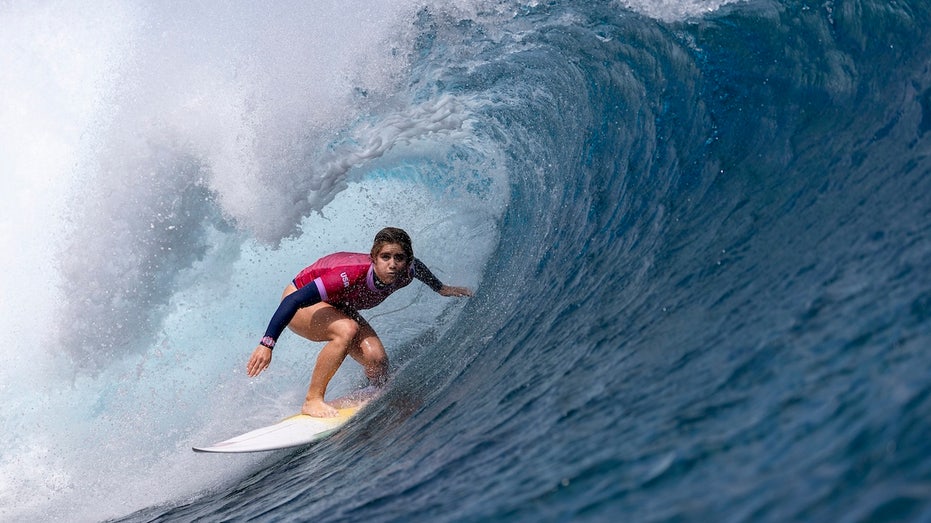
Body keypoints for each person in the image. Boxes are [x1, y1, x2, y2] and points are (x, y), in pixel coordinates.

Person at [246, 227, 473, 417]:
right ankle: (312, 400)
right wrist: (267, 343)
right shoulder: (349, 275)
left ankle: (370, 393)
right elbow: (294, 300)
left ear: (407, 261)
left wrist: (441, 288)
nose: (392, 264)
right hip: (298, 303)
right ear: (374, 257)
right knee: (347, 329)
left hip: (336, 304)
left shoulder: (407, 271)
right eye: (385, 257)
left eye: (399, 258)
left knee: (378, 362)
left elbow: (419, 268)